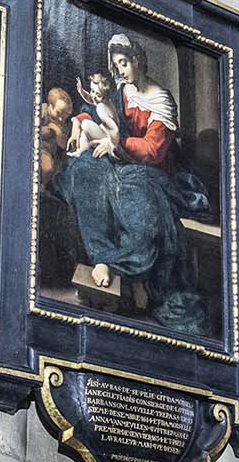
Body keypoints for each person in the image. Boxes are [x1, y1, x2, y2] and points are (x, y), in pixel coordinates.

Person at [52, 33, 213, 335]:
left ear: (138, 60)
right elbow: (97, 110)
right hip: (114, 159)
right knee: (87, 173)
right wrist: (77, 123)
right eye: (116, 66)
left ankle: (123, 268)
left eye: (124, 64)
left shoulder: (160, 101)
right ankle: (102, 258)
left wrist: (114, 143)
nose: (120, 72)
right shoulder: (123, 91)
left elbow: (154, 151)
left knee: (137, 203)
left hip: (152, 172)